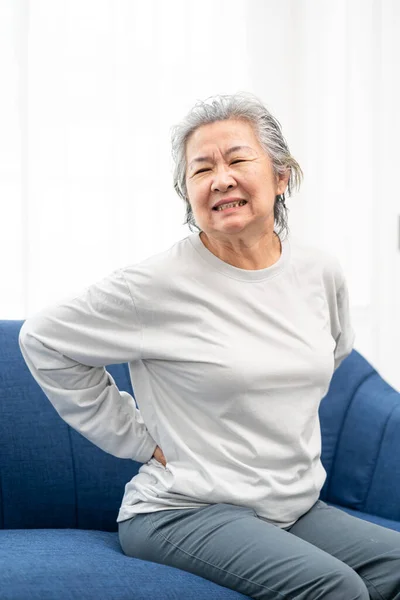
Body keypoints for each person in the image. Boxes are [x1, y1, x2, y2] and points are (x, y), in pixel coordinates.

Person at [18, 92, 400, 599]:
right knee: (337, 589)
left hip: (290, 508)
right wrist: (136, 437)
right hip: (182, 510)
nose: (221, 178)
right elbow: (44, 338)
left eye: (239, 159)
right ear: (189, 193)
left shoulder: (318, 271)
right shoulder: (155, 285)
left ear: (281, 176)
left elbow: (332, 352)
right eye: (201, 170)